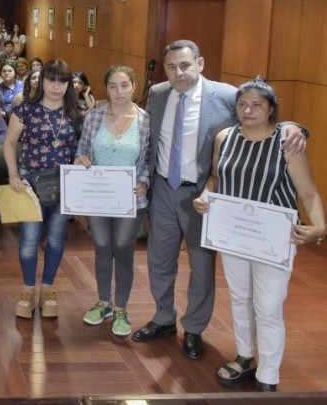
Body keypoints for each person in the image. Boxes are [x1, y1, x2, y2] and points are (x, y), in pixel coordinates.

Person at [132, 39, 306, 361]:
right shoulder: (157, 94)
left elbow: (263, 112)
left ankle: (194, 328)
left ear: (200, 64)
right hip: (163, 190)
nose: (178, 73)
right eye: (171, 67)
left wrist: (296, 128)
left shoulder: (227, 95)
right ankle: (163, 318)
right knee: (159, 260)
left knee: (201, 266)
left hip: (205, 193)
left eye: (185, 65)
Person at [192, 78, 325, 392]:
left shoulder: (287, 142)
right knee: (240, 298)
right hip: (233, 235)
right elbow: (215, 177)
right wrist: (205, 196)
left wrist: (320, 228)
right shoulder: (225, 138)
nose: (248, 110)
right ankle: (245, 355)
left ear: (271, 109)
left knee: (268, 307)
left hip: (274, 238)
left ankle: (269, 375)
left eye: (257, 105)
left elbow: (308, 193)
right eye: (242, 104)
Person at [73, 65, 151, 336]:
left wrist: (144, 182)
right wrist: (80, 159)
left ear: (134, 87)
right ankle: (103, 302)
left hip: (130, 199)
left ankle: (121, 308)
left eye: (124, 85)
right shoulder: (93, 116)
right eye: (113, 86)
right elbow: (82, 149)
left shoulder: (145, 120)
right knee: (102, 246)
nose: (119, 91)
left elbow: (147, 160)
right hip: (98, 197)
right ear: (105, 89)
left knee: (123, 248)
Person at [3, 59, 83, 319]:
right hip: (29, 185)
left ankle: (47, 287)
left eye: (62, 81)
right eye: (51, 80)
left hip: (63, 185)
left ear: (68, 84)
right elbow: (9, 143)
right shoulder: (25, 110)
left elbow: (80, 149)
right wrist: (13, 173)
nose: (56, 87)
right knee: (29, 241)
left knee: (57, 238)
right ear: (42, 82)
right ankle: (28, 288)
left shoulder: (76, 112)